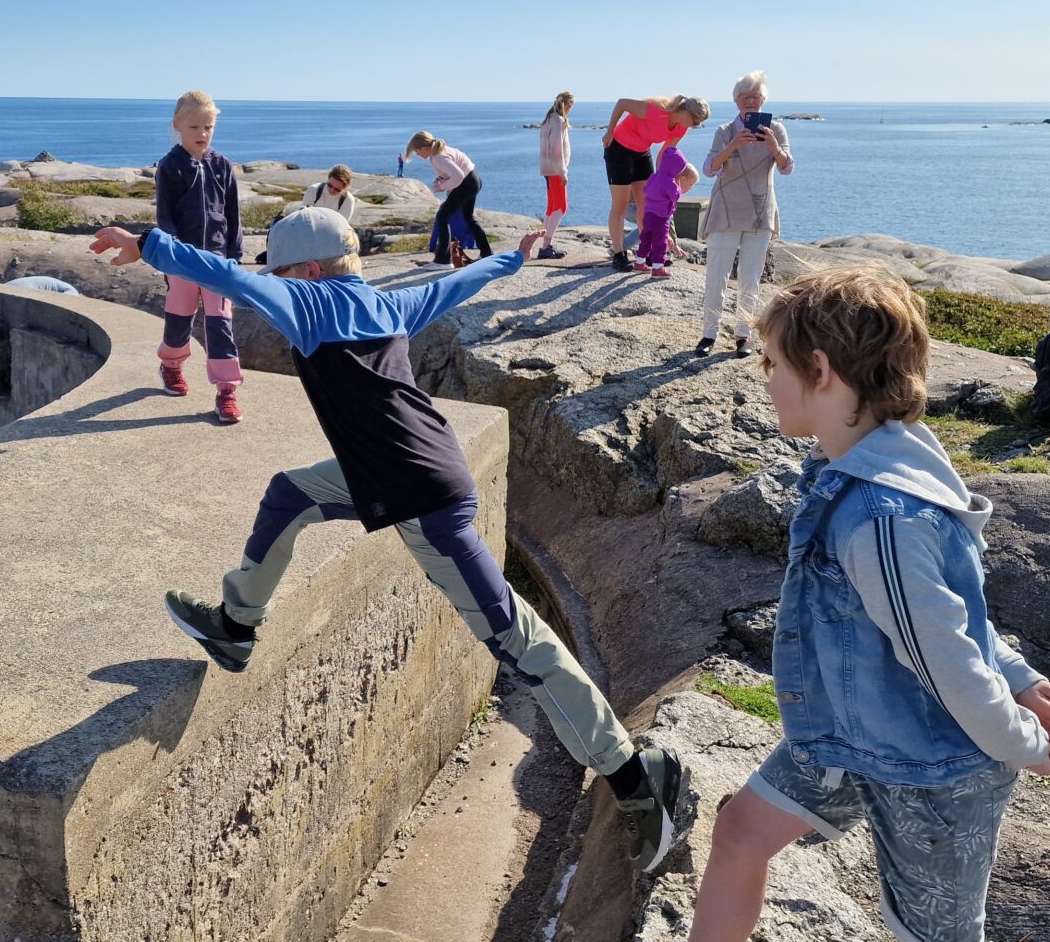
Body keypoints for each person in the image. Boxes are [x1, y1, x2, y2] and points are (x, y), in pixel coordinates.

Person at [88, 209, 687, 874]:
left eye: (282, 273)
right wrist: (511, 258)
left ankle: (635, 777)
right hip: (408, 467)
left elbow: (224, 275)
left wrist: (148, 244)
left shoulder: (309, 304)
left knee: (517, 641)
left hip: (421, 496)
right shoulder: (386, 300)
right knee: (290, 493)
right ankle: (234, 623)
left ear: (309, 271)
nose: (277, 284)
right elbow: (457, 285)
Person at [688, 265, 1050, 942]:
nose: (764, 380)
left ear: (819, 369)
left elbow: (944, 655)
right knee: (740, 831)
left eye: (771, 363)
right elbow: (948, 612)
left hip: (935, 765)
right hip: (852, 731)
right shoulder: (880, 460)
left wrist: (1021, 741)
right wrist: (1024, 681)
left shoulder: (880, 514)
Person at [153, 90, 245, 424]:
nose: (202, 134)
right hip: (182, 262)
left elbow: (232, 214)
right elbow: (164, 217)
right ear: (178, 126)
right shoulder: (169, 166)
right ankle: (171, 365)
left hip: (218, 262)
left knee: (221, 325)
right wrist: (172, 256)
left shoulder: (222, 165)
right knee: (179, 322)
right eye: (194, 127)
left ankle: (226, 390)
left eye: (208, 127)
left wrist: (234, 256)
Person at [698, 71, 794, 358]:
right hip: (726, 211)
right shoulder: (725, 130)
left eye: (756, 96)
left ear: (763, 99)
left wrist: (773, 147)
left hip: (760, 212)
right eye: (745, 97)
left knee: (750, 278)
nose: (751, 101)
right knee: (717, 276)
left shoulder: (776, 129)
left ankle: (744, 335)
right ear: (737, 101)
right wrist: (733, 146)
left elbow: (788, 168)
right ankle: (708, 334)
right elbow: (708, 168)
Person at [601, 94, 710, 272]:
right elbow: (622, 103)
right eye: (695, 120)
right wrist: (610, 131)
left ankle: (649, 253)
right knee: (620, 204)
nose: (696, 125)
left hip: (642, 152)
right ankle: (619, 254)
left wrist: (663, 180)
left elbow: (665, 154)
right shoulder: (655, 110)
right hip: (618, 149)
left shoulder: (681, 128)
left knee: (647, 204)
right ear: (685, 111)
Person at [403, 131, 492, 268]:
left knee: (442, 216)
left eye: (416, 151)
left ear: (423, 148)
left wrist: (442, 186)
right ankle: (486, 253)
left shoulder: (438, 157)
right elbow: (457, 171)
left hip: (466, 184)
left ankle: (443, 261)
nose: (417, 154)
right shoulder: (440, 150)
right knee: (468, 217)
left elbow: (458, 175)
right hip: (473, 180)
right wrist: (443, 180)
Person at [634, 148, 697, 279]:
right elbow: (675, 196)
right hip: (661, 216)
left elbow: (646, 189)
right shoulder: (670, 181)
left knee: (646, 238)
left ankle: (639, 262)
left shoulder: (655, 176)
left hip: (648, 214)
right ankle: (657, 267)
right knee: (660, 242)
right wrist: (678, 187)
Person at [536, 91, 573, 259]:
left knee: (551, 207)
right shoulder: (558, 121)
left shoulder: (548, 119)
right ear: (567, 105)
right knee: (561, 206)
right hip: (555, 169)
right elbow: (557, 150)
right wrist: (563, 171)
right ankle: (545, 246)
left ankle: (546, 244)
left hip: (547, 169)